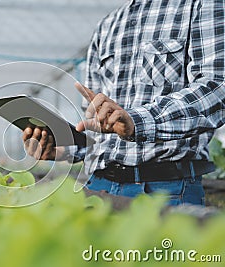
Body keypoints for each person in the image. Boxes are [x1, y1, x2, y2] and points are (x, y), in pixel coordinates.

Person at [23, 0, 225, 206]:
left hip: (165, 190)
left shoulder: (200, 5)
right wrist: (65, 150)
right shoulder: (107, 25)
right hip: (99, 186)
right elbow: (99, 126)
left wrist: (137, 122)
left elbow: (217, 88)